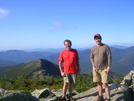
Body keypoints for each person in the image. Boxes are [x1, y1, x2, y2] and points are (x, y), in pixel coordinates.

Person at [90, 34, 112, 101]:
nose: (97, 40)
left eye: (98, 38)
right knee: (98, 83)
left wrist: (109, 67)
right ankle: (100, 96)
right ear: (94, 40)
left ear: (101, 38)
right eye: (96, 39)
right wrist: (93, 63)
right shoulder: (93, 48)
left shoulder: (106, 47)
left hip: (104, 68)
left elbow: (109, 57)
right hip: (96, 68)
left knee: (105, 84)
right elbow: (91, 57)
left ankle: (108, 98)